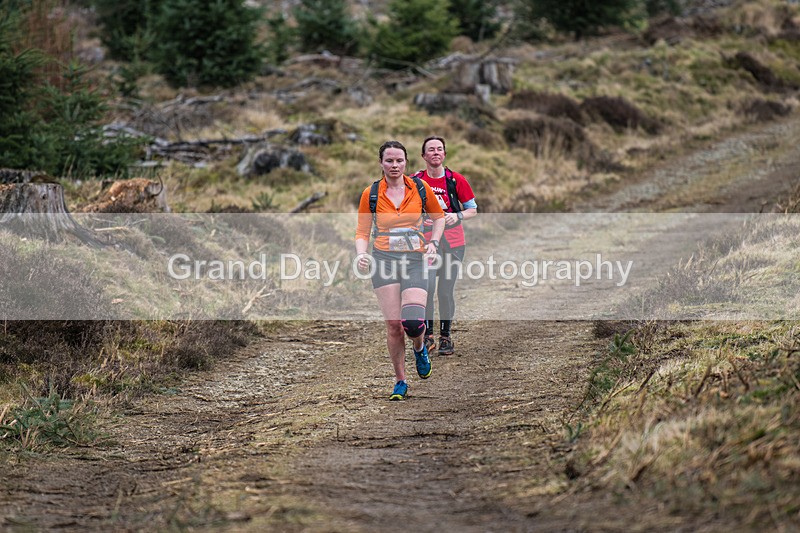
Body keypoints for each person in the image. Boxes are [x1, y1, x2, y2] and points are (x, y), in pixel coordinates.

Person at [356, 140, 446, 400]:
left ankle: (419, 348)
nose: (394, 165)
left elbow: (438, 217)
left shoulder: (420, 188)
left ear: (406, 162)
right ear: (381, 163)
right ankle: (400, 381)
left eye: (399, 161)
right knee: (394, 325)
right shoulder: (371, 193)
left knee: (413, 323)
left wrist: (433, 243)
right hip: (383, 260)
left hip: (416, 259)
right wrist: (361, 254)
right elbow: (362, 231)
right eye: (389, 161)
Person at [413, 136, 478, 356]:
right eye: (431, 149)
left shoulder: (456, 179)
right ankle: (428, 336)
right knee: (427, 288)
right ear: (423, 155)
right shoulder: (415, 181)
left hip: (454, 243)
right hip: (424, 244)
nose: (435, 153)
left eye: (439, 149)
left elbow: (472, 209)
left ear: (444, 154)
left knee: (445, 290)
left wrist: (457, 215)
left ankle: (446, 337)